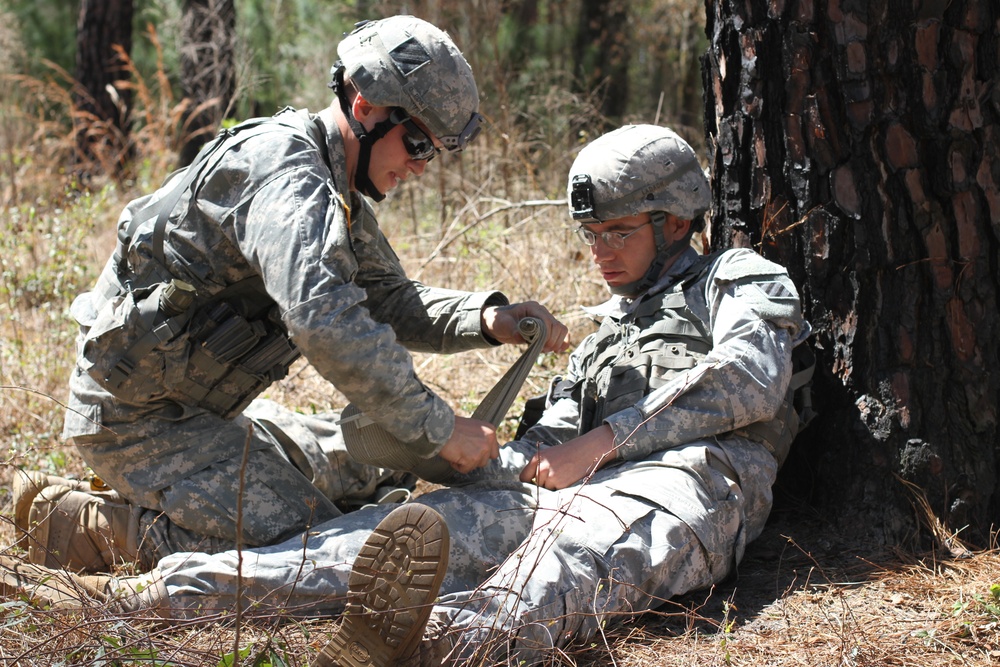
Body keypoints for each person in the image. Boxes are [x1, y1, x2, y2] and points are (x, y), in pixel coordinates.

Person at [2, 124, 812, 666]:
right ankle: (132, 595)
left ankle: (430, 652)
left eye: (620, 233)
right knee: (354, 543)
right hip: (568, 480)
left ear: (676, 222)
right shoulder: (609, 322)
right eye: (591, 236)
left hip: (690, 476)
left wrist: (602, 442)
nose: (600, 253)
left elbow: (750, 374)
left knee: (561, 572)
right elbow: (559, 422)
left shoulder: (735, 279)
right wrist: (513, 454)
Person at [12, 15, 568, 576]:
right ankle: (87, 525)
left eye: (434, 153)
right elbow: (325, 321)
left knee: (386, 465)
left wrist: (487, 318)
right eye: (418, 142)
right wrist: (440, 427)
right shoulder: (289, 180)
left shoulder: (335, 184)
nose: (421, 166)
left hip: (202, 410)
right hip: (137, 419)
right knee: (311, 548)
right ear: (366, 107)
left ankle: (191, 484)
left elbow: (390, 301)